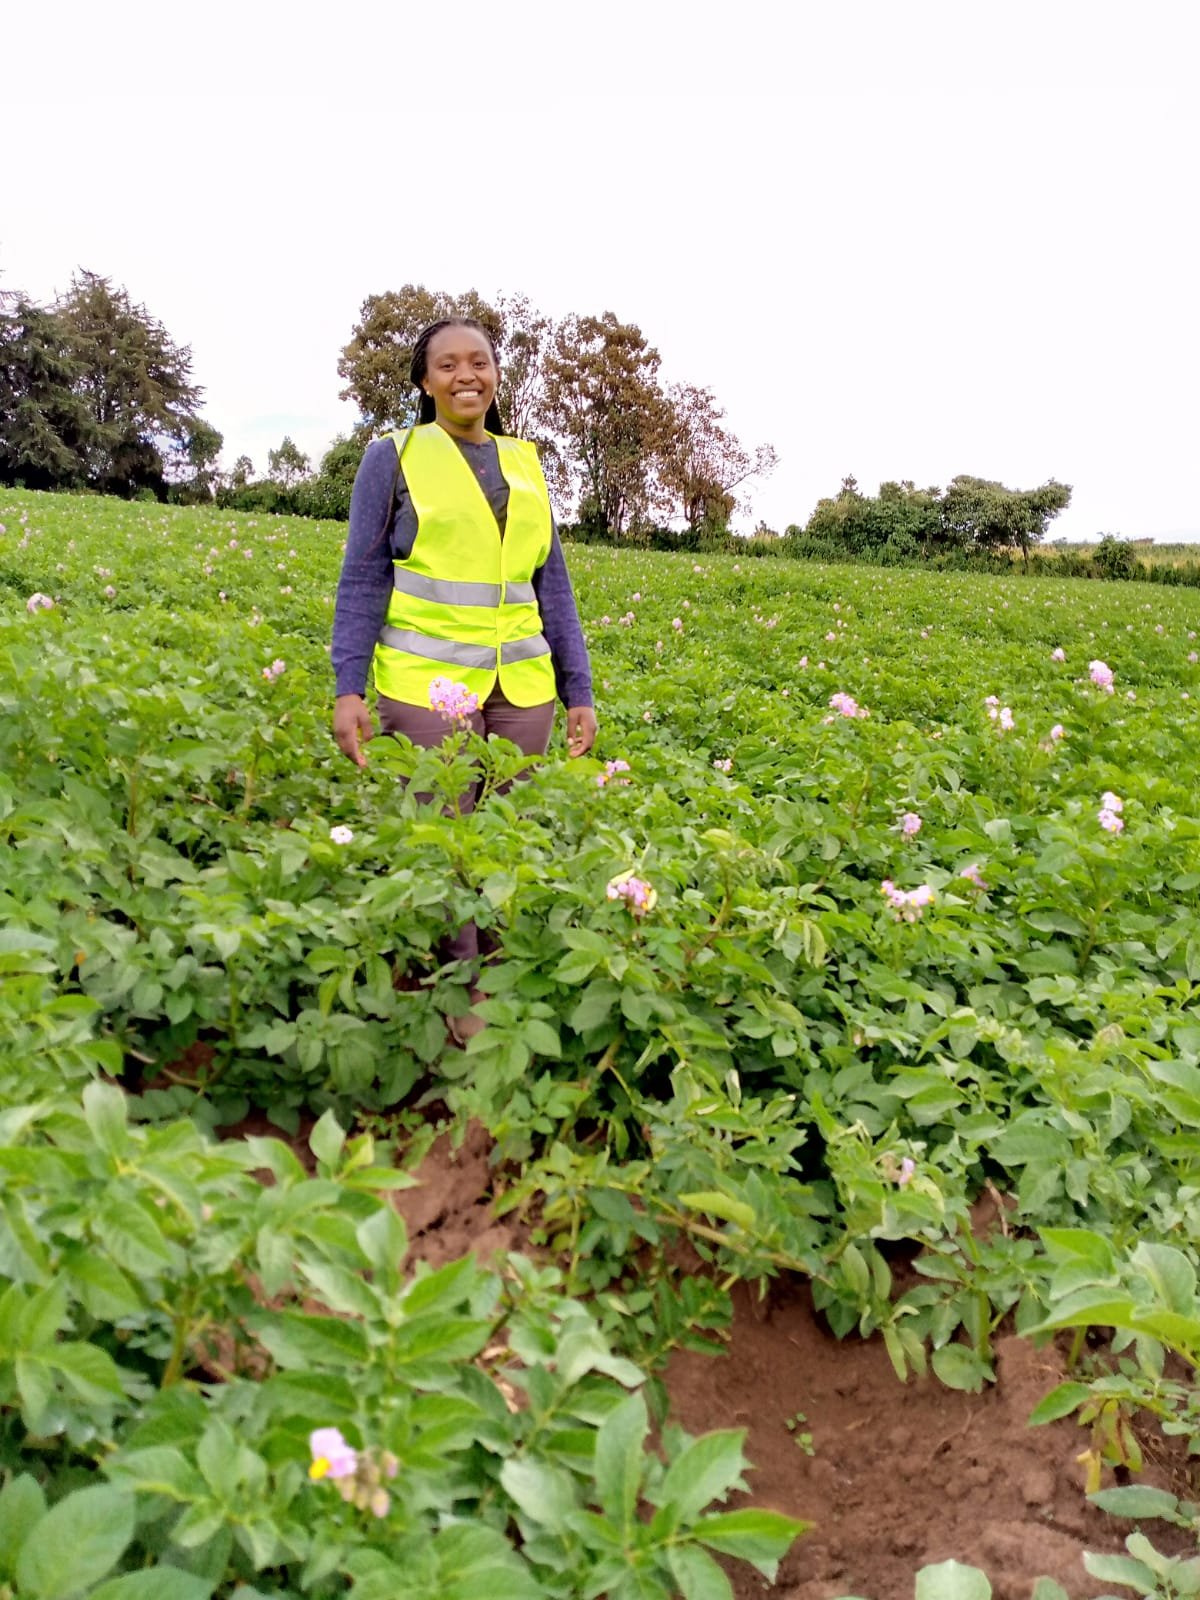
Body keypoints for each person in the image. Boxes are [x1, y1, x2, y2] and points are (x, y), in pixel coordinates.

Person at [331, 316, 597, 1042]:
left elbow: (554, 586)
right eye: (446, 365)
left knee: (504, 837)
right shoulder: (394, 457)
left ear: (497, 375)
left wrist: (580, 690)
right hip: (427, 685)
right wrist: (348, 685)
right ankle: (461, 993)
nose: (465, 376)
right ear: (424, 381)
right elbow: (363, 575)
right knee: (448, 840)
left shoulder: (524, 463)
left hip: (523, 687)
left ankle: (505, 976)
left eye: (478, 362)